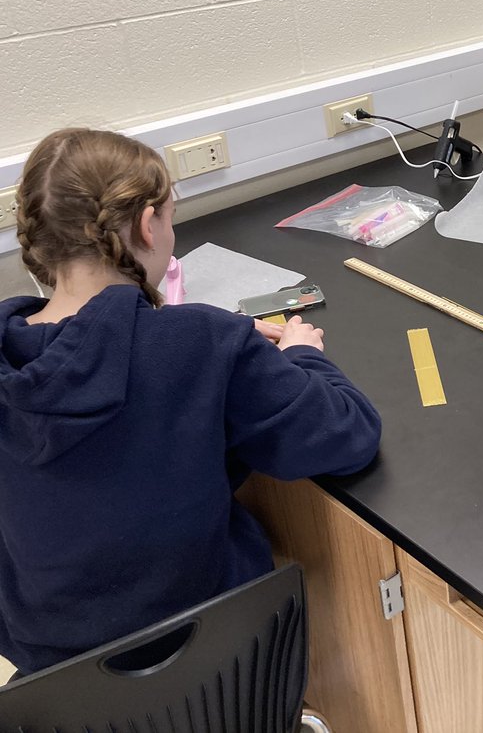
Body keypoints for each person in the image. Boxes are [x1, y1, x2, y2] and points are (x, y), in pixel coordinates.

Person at [0, 127, 382, 678]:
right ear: (147, 224)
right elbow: (346, 435)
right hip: (215, 666)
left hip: (57, 689)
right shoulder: (202, 341)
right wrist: (299, 354)